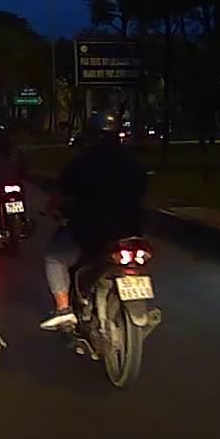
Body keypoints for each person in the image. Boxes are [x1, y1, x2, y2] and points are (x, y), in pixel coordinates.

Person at [40, 112, 148, 330]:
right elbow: (143, 191)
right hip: (129, 231)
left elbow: (61, 194)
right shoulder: (133, 162)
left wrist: (48, 210)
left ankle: (63, 309)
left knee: (55, 258)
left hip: (90, 230)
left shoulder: (82, 162)